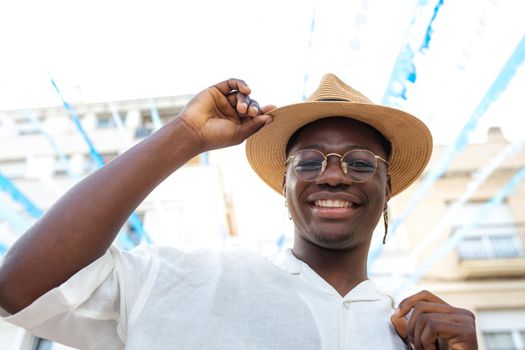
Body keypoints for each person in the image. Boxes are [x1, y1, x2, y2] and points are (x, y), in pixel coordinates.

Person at [0, 74, 477, 349]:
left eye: (359, 162)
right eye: (309, 162)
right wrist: (185, 135)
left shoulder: (414, 337)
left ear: (387, 187)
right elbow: (22, 286)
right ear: (284, 187)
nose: (334, 176)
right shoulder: (181, 281)